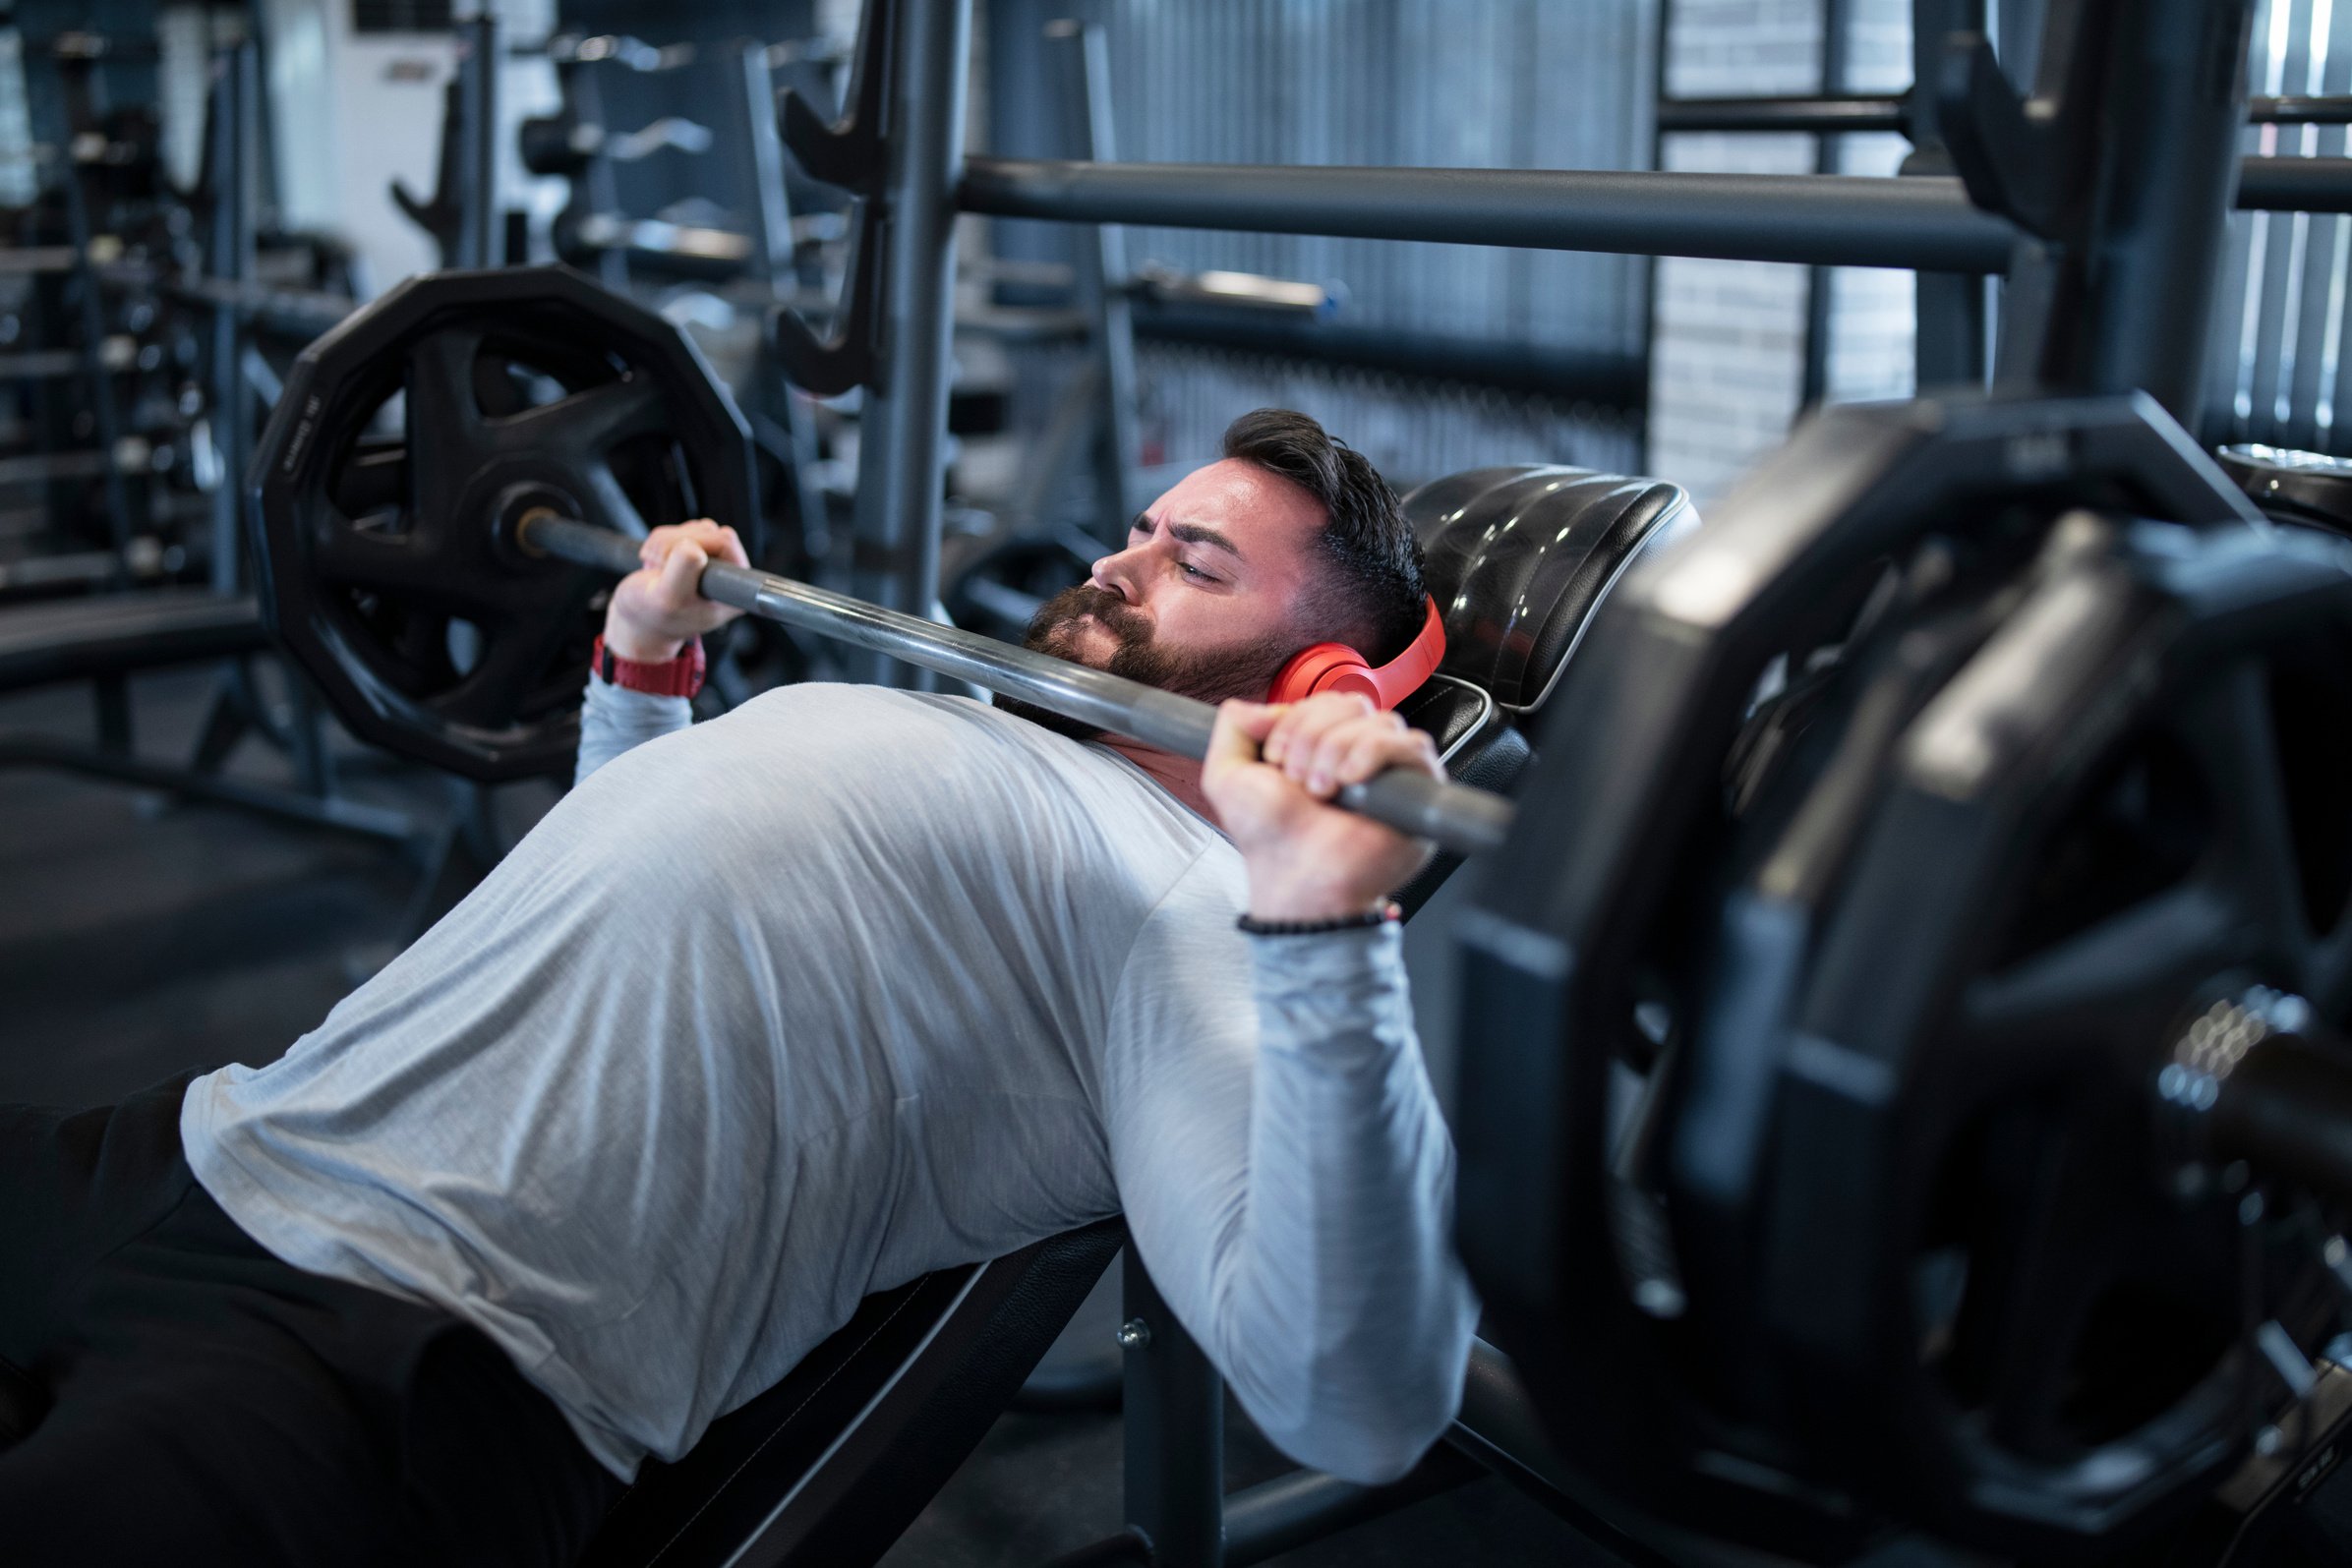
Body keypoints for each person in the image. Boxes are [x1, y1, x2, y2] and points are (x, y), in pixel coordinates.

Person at [0, 409, 1479, 1565]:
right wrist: (637, 684)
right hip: (200, 1144)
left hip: (391, 1353)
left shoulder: (1194, 905)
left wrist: (1324, 935)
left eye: (1192, 563)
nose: (1116, 560)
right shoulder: (977, 722)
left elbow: (1363, 1404)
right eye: (1144, 527)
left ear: (1316, 690)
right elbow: (630, 899)